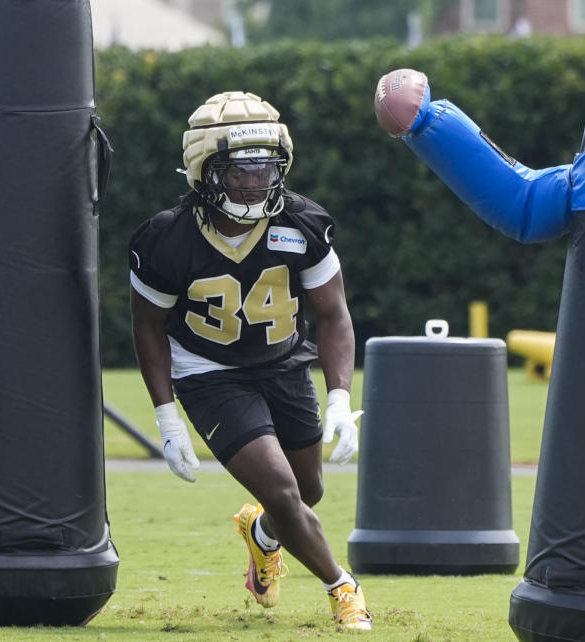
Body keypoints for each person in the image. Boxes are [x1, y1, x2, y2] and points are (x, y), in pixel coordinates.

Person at [128, 91, 372, 631]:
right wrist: (168, 418)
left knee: (305, 493)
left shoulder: (304, 223)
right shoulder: (167, 239)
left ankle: (261, 535)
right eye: (239, 172)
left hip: (284, 364)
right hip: (209, 371)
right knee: (284, 491)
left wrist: (339, 398)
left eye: (265, 168)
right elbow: (147, 326)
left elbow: (333, 316)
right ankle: (343, 588)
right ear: (204, 170)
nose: (255, 182)